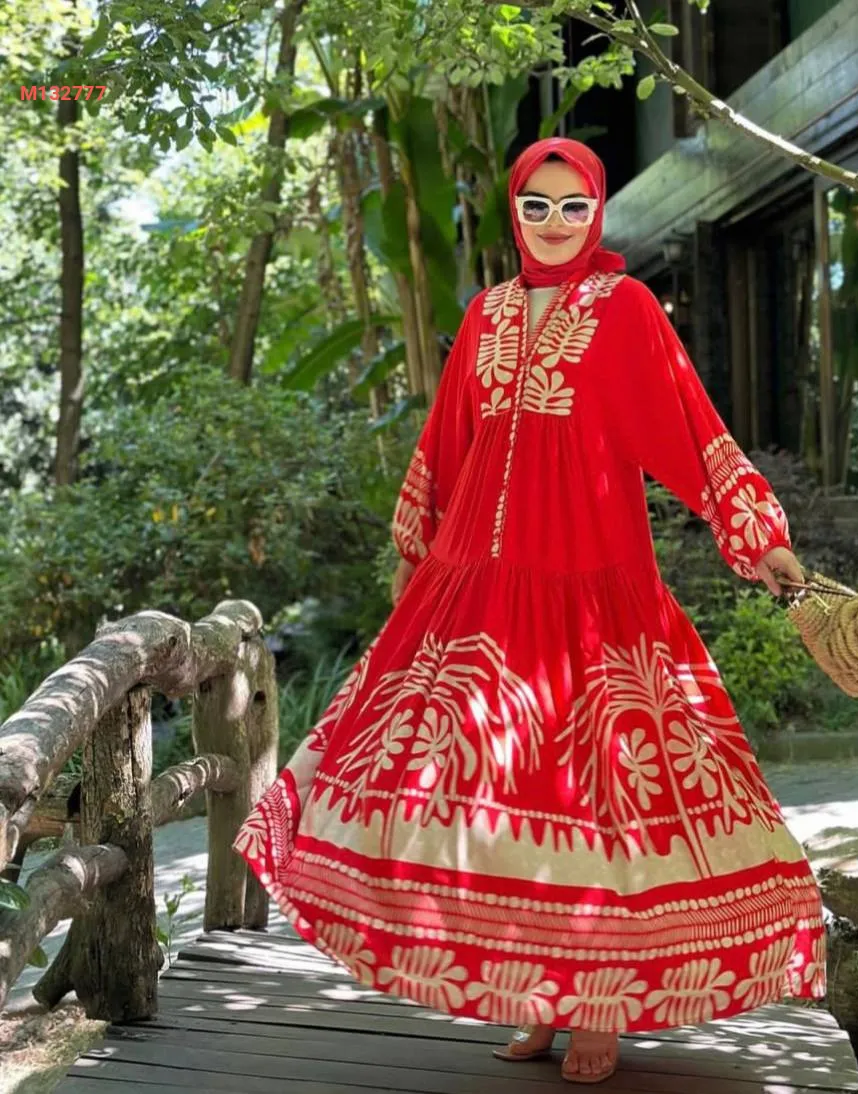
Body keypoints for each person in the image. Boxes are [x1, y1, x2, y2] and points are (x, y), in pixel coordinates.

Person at [235, 137, 826, 1086]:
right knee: (498, 794)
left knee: (595, 793)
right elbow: (450, 438)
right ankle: (535, 997)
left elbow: (687, 423)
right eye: (537, 207)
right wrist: (418, 549)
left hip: (591, 581)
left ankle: (597, 1004)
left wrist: (758, 536)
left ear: (598, 214)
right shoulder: (486, 314)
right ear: (515, 214)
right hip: (476, 586)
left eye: (573, 206)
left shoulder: (625, 309)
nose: (555, 223)